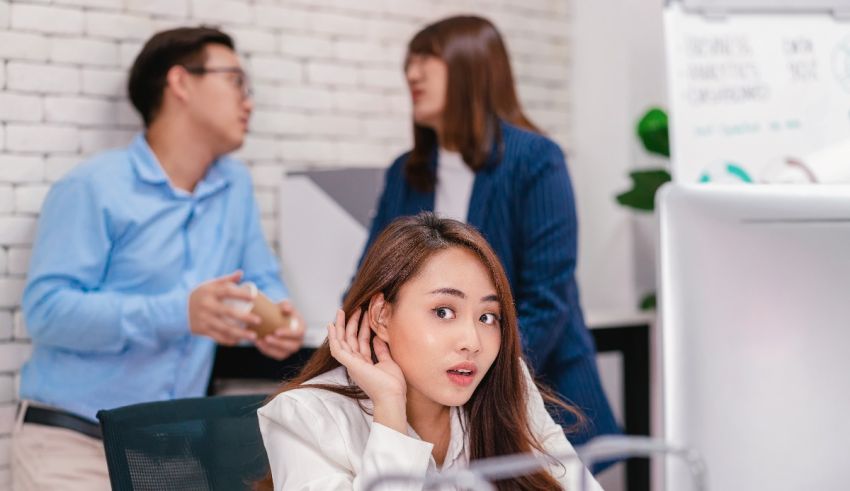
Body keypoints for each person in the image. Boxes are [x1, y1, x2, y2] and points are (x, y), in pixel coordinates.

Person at [11, 26, 305, 490]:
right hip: (73, 447)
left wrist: (277, 318)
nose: (249, 101)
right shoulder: (92, 186)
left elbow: (261, 276)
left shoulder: (235, 187)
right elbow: (47, 312)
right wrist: (178, 313)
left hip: (172, 452)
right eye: (235, 81)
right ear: (181, 83)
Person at [361, 15, 619, 449]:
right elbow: (372, 280)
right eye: (409, 61)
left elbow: (546, 300)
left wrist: (476, 374)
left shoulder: (536, 159)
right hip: (427, 399)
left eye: (427, 59)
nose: (412, 73)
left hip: (535, 386)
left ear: (471, 68)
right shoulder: (406, 173)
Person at [258, 213, 602, 490]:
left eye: (487, 317)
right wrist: (390, 410)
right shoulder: (305, 418)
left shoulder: (509, 388)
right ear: (381, 315)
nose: (472, 341)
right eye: (443, 311)